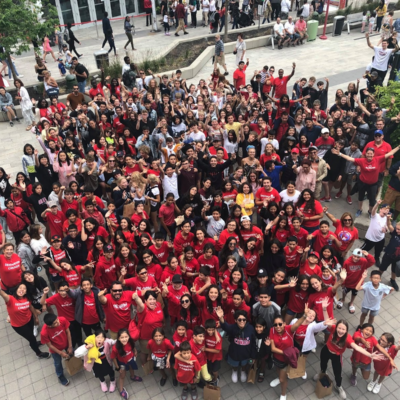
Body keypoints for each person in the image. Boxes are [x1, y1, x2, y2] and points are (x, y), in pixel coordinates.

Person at [313, 319, 386, 400]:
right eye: (339, 328)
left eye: (343, 329)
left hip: (336, 356)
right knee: (323, 364)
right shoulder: (333, 329)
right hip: (326, 350)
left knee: (337, 373)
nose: (340, 331)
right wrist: (324, 308)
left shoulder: (348, 338)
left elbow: (357, 347)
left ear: (346, 330)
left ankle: (338, 386)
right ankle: (322, 373)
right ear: (336, 327)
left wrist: (370, 355)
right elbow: (327, 321)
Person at [332, 144, 400, 217]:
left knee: (372, 200)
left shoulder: (378, 159)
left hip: (373, 184)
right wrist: (339, 153)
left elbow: (390, 153)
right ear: (366, 154)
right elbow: (350, 159)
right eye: (368, 153)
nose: (369, 155)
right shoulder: (362, 161)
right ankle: (360, 209)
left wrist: (399, 147)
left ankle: (370, 211)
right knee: (360, 197)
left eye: (371, 153)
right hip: (362, 183)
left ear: (374, 154)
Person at [0, 282, 50, 359]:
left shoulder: (27, 298)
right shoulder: (10, 299)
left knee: (32, 336)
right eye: (20, 288)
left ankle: (34, 343)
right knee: (31, 338)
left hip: (29, 320)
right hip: (19, 326)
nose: (22, 290)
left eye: (24, 288)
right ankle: (38, 353)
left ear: (26, 291)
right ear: (16, 289)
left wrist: (36, 317)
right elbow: (2, 293)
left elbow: (31, 307)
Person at [41, 313, 73, 386]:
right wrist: (61, 353)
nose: (58, 322)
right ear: (49, 325)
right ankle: (60, 375)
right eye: (55, 323)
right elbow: (49, 345)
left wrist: (70, 346)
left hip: (66, 343)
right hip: (55, 349)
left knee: (72, 353)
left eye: (57, 320)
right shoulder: (44, 333)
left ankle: (74, 364)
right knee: (58, 363)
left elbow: (68, 332)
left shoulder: (62, 320)